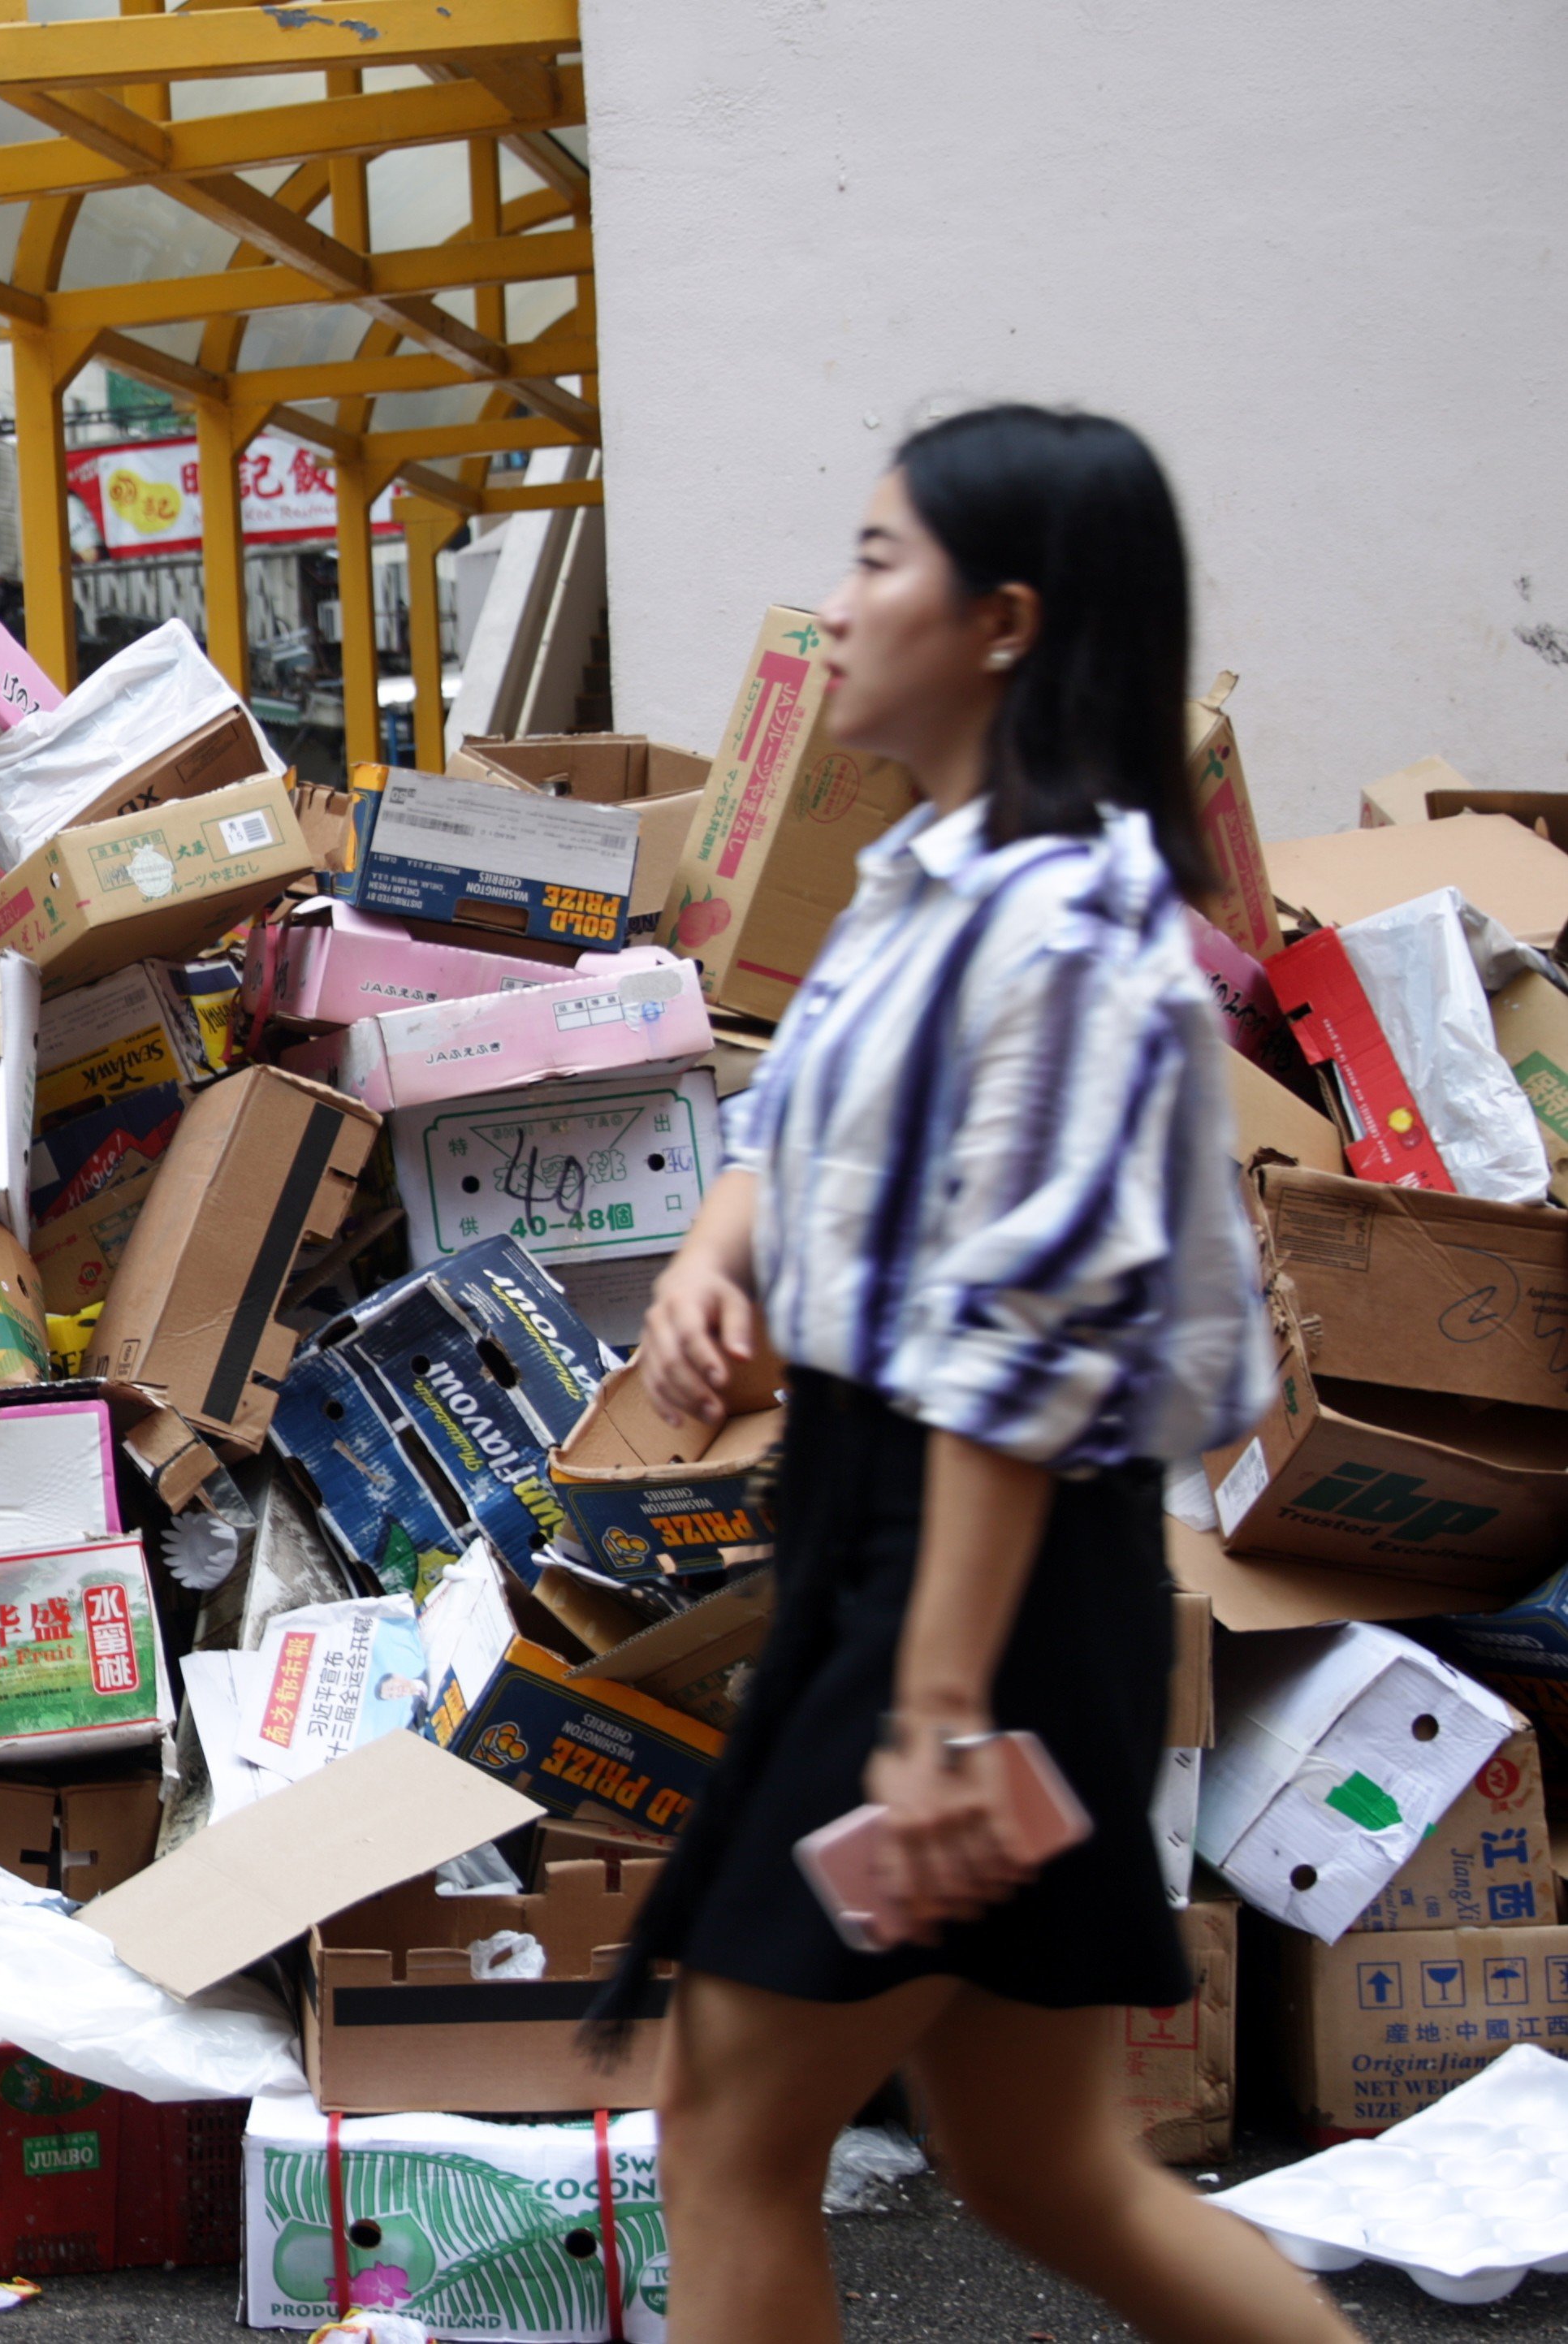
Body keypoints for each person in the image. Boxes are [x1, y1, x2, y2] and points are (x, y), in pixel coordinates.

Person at [601, 405, 1359, 2344]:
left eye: (877, 560)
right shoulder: (935, 878)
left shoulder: (1076, 936)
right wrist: (714, 1258)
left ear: (1006, 619)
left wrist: (933, 1706)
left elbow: (1017, 1361)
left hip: (979, 1589)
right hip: (920, 1556)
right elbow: (797, 1113)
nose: (832, 608)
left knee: (727, 2140)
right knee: (1040, 2169)